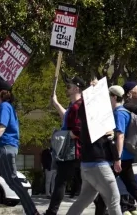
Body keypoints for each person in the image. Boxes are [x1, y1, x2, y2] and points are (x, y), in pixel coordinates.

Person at [65, 79, 121, 215]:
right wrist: (94, 91)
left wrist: (110, 133)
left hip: (88, 165)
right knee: (114, 199)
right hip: (99, 165)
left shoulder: (88, 117)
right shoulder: (90, 115)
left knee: (83, 200)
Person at [110, 85, 137, 215]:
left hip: (120, 157)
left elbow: (120, 135)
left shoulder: (120, 112)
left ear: (113, 97)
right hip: (126, 156)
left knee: (103, 188)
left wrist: (117, 158)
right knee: (134, 189)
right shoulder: (126, 110)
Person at [0, 79, 40, 215]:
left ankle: (32, 211)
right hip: (6, 148)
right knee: (12, 181)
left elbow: (2, 127)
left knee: (13, 181)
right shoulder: (7, 106)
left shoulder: (4, 106)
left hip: (5, 147)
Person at [46, 76, 85, 215]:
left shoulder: (79, 106)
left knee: (61, 181)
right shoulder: (73, 106)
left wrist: (62, 135)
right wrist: (56, 103)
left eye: (69, 86)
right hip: (72, 150)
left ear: (76, 88)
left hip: (73, 150)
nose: (67, 89)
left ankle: (52, 212)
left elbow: (78, 131)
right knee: (87, 183)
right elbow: (66, 117)